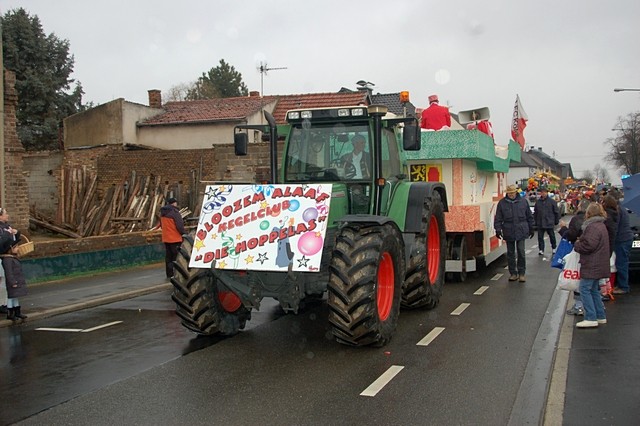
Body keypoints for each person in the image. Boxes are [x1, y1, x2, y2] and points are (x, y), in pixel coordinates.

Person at [573, 203, 610, 328]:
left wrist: (577, 244)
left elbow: (588, 246)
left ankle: (590, 317)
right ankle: (600, 315)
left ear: (589, 213)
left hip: (592, 263)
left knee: (584, 289)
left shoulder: (592, 227)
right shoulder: (601, 225)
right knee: (594, 290)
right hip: (599, 262)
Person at [494, 184, 535, 282]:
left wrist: (531, 228)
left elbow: (529, 216)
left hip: (521, 229)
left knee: (521, 252)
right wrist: (498, 229)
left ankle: (521, 273)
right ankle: (513, 273)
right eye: (509, 193)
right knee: (510, 253)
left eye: (512, 193)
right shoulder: (502, 203)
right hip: (508, 230)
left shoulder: (523, 202)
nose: (511, 195)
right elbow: (498, 218)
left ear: (516, 192)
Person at [559, 199, 590, 316]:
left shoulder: (576, 219)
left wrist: (563, 229)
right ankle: (592, 306)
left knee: (577, 279)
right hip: (592, 255)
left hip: (578, 252)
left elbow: (571, 236)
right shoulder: (595, 221)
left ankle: (579, 306)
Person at [609, 188, 632, 295]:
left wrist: (610, 241)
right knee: (622, 262)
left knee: (621, 263)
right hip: (625, 238)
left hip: (621, 240)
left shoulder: (617, 211)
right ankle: (622, 284)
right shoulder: (622, 208)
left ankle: (623, 286)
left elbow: (615, 228)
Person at [0, 232, 28, 322]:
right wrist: (12, 282)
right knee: (11, 297)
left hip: (16, 280)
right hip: (12, 282)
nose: (18, 248)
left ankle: (17, 311)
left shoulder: (12, 258)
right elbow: (9, 273)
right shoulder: (7, 260)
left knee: (15, 297)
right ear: (10, 249)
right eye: (16, 247)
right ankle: (10, 312)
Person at [160, 197, 186, 280]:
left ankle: (169, 274)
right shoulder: (175, 212)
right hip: (175, 238)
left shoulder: (162, 213)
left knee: (168, 257)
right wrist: (184, 233)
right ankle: (176, 274)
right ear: (174, 203)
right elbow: (179, 225)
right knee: (176, 257)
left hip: (166, 238)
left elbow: (161, 225)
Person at [533, 186, 560, 256]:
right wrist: (535, 221)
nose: (543, 194)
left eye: (544, 192)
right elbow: (536, 212)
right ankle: (541, 249)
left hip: (549, 221)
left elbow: (556, 212)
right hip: (540, 222)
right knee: (540, 237)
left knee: (552, 236)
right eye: (542, 192)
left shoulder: (552, 202)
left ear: (547, 193)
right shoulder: (538, 202)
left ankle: (554, 247)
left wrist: (556, 221)